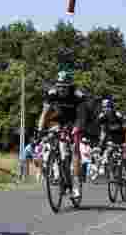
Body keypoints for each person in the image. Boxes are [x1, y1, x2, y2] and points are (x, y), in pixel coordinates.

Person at [36, 67, 89, 199]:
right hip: (59, 119)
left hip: (75, 119)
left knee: (75, 149)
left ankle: (76, 184)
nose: (62, 89)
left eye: (65, 87)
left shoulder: (77, 95)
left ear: (70, 86)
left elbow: (82, 115)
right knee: (61, 150)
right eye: (59, 86)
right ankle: (60, 169)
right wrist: (39, 130)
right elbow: (44, 113)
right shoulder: (52, 93)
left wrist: (77, 128)